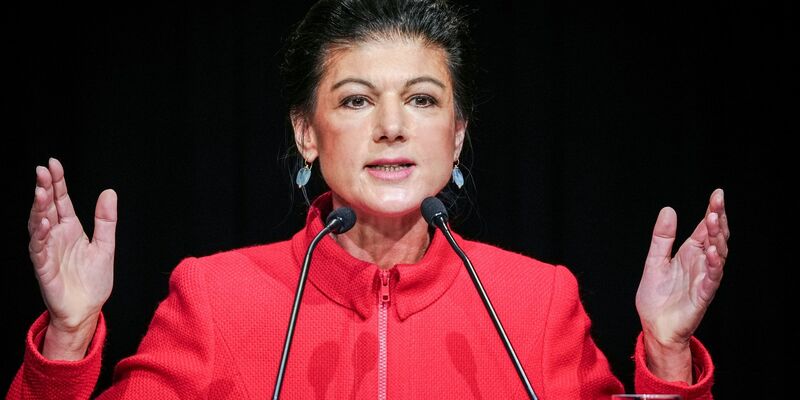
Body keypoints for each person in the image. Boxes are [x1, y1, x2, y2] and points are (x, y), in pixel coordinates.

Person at [8, 0, 729, 398]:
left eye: (422, 99)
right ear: (307, 133)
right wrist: (68, 336)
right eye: (356, 100)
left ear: (457, 135)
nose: (391, 126)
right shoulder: (215, 297)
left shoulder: (537, 302)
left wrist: (667, 355)